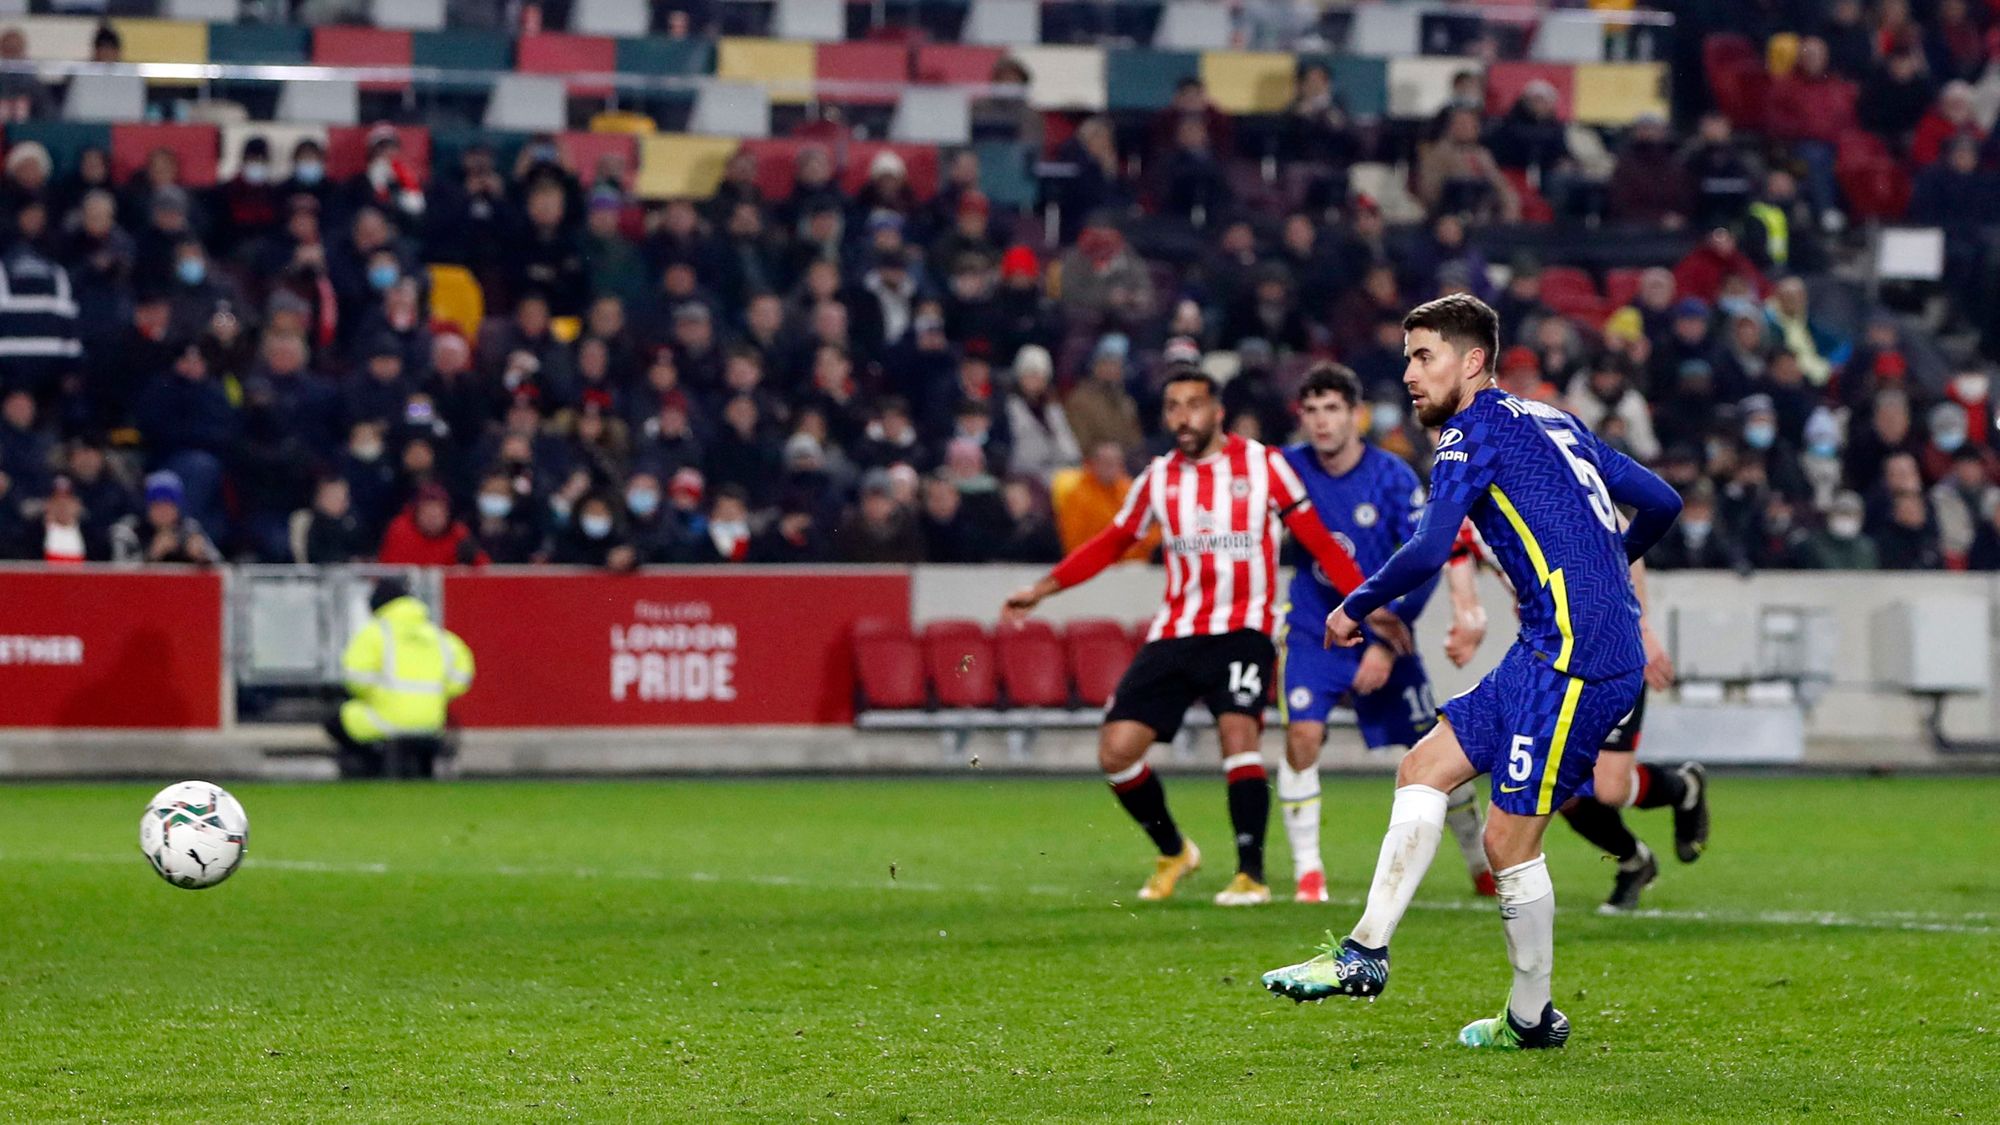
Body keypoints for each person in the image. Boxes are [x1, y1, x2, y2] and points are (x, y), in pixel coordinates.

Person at [1260, 294, 1683, 1053]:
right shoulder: (1554, 419)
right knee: (1425, 766)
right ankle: (1365, 952)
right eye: (1407, 358)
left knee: (1507, 842)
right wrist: (1612, 562)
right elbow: (1661, 501)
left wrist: (1352, 607)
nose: (1410, 374)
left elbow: (1428, 548)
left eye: (1423, 356)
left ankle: (1530, 1019)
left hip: (1581, 661)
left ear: (1473, 361)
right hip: (1547, 645)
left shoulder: (1470, 430)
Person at [1000, 369, 1412, 907]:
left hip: (1245, 628)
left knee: (1238, 736)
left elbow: (1320, 544)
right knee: (1115, 752)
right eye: (1172, 406)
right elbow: (1111, 542)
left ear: (1216, 412)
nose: (1182, 417)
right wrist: (1043, 588)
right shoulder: (1157, 477)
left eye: (1193, 405)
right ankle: (1174, 851)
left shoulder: (1265, 466)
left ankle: (1251, 874)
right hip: (1177, 630)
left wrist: (1364, 604)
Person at [1275, 364, 1495, 905]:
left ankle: (1478, 862)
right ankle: (1308, 872)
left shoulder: (1393, 477)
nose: (1322, 422)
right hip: (1314, 628)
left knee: (1443, 755)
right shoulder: (1286, 469)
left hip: (1387, 634)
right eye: (1311, 410)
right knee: (1301, 736)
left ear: (1356, 415)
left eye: (1333, 409)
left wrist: (1380, 644)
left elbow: (1426, 561)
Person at [1442, 521, 1711, 913]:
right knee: (1561, 790)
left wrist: (1643, 625)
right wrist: (1468, 622)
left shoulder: (1551, 475)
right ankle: (1634, 862)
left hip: (1612, 644)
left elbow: (1624, 533)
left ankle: (1684, 787)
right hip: (1550, 659)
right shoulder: (1468, 511)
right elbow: (1460, 578)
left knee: (1609, 789)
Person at [327, 578, 475, 779]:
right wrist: (437, 694)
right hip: (430, 722)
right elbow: (462, 677)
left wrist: (374, 695)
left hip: (384, 721)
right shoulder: (441, 637)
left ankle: (371, 767)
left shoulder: (374, 634)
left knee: (336, 719)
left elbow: (355, 680)